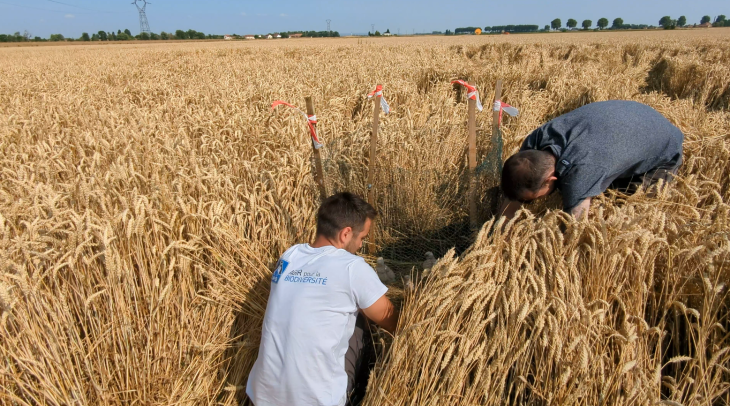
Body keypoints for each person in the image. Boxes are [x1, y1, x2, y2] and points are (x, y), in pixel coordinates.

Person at [246, 192, 399, 406]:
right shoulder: (352, 267)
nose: (361, 246)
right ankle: (358, 394)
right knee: (361, 318)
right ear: (346, 234)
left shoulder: (290, 256)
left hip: (261, 396)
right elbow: (391, 320)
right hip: (316, 400)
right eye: (362, 237)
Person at [499, 100, 684, 220]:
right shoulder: (535, 142)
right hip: (630, 112)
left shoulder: (582, 170)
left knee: (627, 208)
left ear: (551, 179)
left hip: (663, 142)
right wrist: (496, 235)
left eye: (530, 200)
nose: (528, 203)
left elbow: (575, 227)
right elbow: (514, 193)